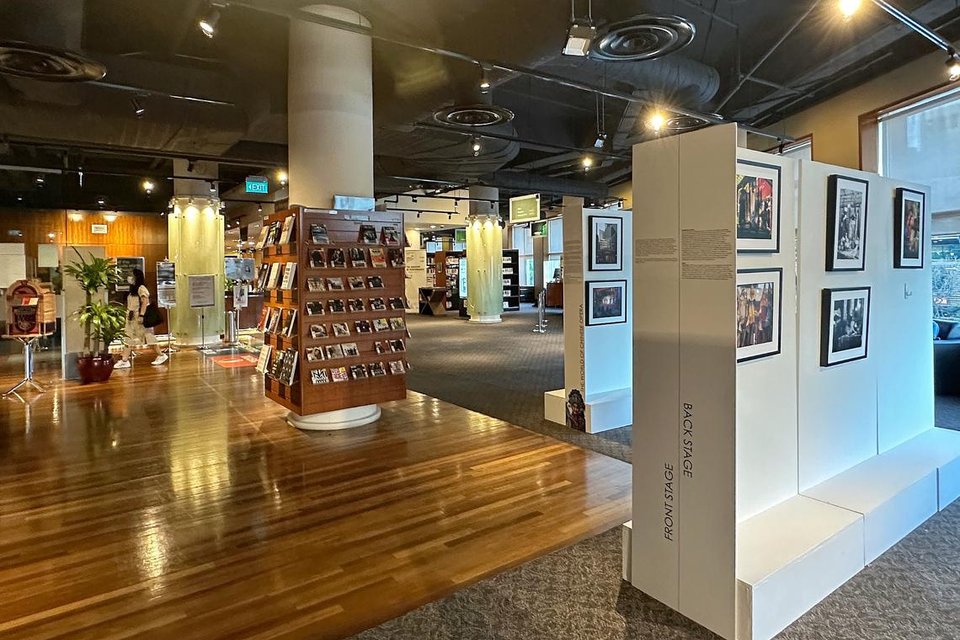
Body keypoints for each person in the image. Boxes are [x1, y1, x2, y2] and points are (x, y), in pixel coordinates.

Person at [115, 268, 167, 368]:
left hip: (138, 316)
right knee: (128, 336)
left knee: (148, 336)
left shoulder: (141, 288)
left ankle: (161, 355)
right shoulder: (132, 289)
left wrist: (141, 315)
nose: (129, 277)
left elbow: (144, 302)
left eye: (132, 275)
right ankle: (124, 360)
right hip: (131, 317)